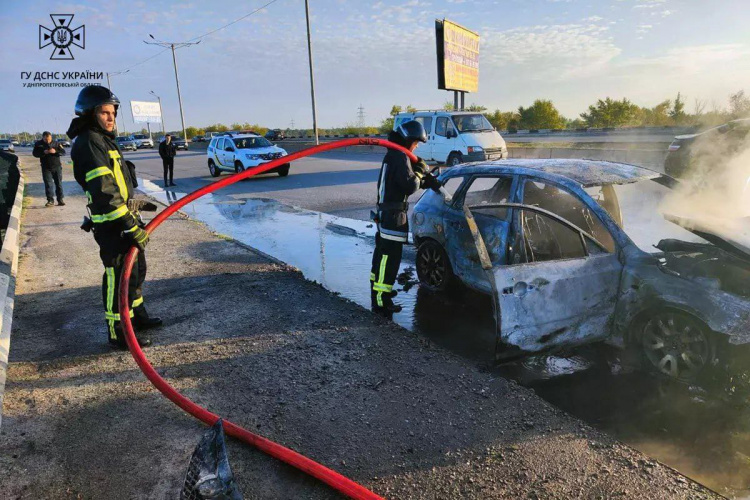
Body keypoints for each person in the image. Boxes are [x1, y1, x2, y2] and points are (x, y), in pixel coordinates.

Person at [67, 85, 162, 349]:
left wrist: (135, 216)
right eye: (104, 113)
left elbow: (120, 184)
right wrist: (131, 227)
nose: (111, 118)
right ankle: (118, 330)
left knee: (135, 271)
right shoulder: (89, 143)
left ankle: (137, 317)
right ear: (89, 114)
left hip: (125, 219)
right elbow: (105, 192)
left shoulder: (103, 140)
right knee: (118, 276)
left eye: (113, 113)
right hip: (112, 224)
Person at [370, 120, 441, 315]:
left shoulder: (393, 156)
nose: (416, 147)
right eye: (416, 143)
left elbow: (403, 183)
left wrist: (426, 180)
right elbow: (410, 185)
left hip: (387, 214)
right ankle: (381, 302)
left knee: (381, 257)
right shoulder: (399, 156)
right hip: (393, 217)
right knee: (389, 259)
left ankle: (379, 293)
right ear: (409, 140)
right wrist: (420, 170)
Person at [32, 131, 65, 207]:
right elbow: (35, 154)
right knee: (48, 184)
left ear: (51, 137)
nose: (48, 141)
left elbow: (63, 152)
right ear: (43, 138)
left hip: (57, 167)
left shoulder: (56, 143)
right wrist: (43, 152)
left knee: (59, 184)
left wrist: (55, 151)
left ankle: (60, 200)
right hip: (46, 168)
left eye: (49, 139)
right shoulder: (38, 144)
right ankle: (50, 200)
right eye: (46, 139)